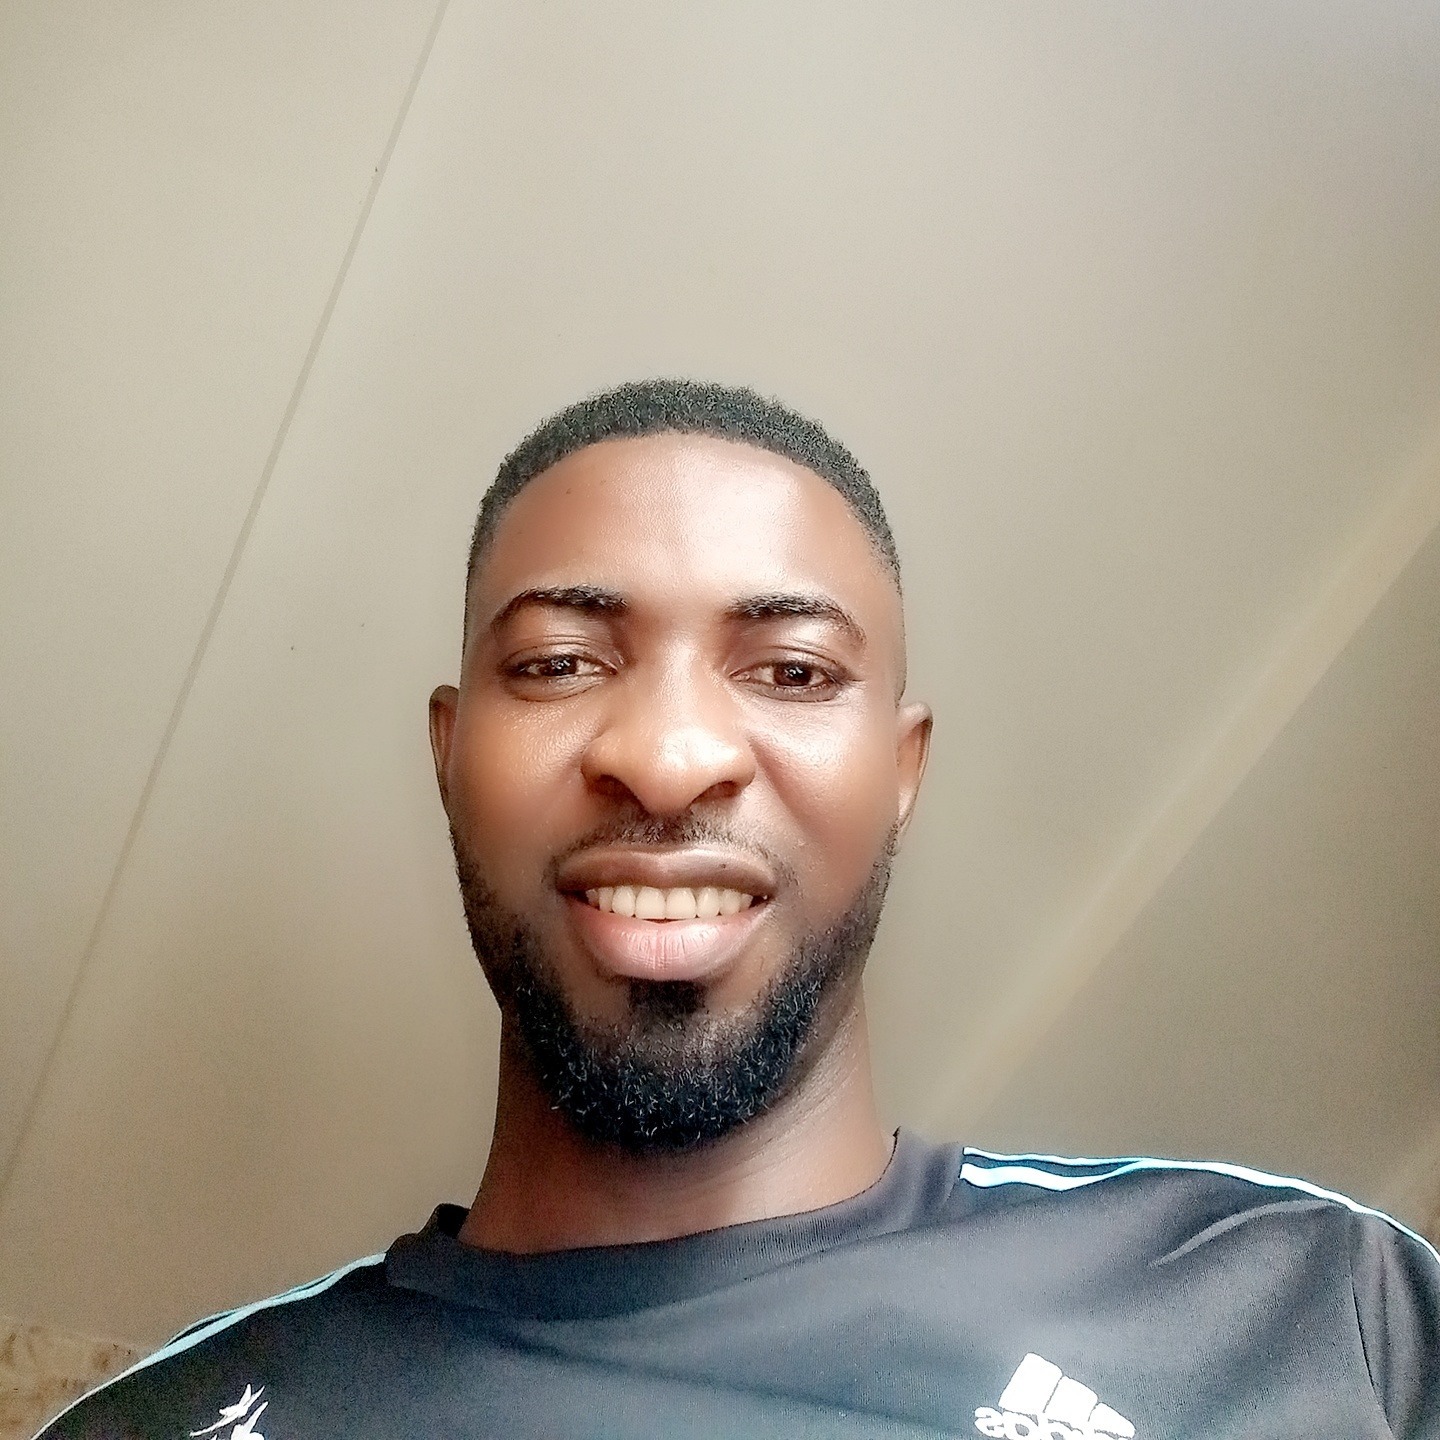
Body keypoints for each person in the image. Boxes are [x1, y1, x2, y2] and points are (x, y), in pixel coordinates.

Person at [42, 380, 1439, 1439]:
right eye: (561, 662)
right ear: (450, 758)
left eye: (789, 672)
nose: (666, 757)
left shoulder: (1309, 1310)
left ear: (902, 772)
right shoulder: (165, 1426)